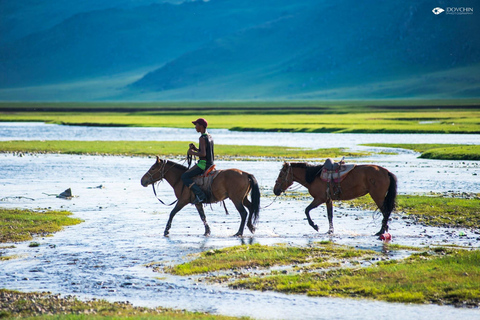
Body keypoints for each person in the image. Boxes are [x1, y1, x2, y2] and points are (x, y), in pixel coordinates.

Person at [181, 118, 214, 204]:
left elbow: (203, 154)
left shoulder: (202, 138)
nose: (195, 127)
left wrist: (192, 152)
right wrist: (196, 149)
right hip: (210, 163)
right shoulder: (209, 136)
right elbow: (205, 151)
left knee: (184, 176)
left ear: (201, 126)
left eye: (196, 125)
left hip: (204, 164)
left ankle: (201, 195)